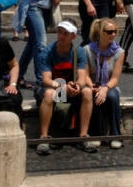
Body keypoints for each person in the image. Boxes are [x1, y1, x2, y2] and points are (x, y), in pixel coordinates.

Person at [34, 20, 93, 154]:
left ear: (73, 36)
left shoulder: (80, 52)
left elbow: (82, 77)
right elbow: (46, 80)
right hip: (51, 86)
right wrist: (62, 86)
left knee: (87, 92)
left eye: (65, 33)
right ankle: (43, 137)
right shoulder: (47, 52)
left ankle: (83, 136)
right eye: (59, 32)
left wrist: (77, 86)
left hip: (69, 87)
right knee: (49, 94)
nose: (61, 36)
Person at [83, 18, 125, 149]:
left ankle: (115, 134)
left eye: (115, 31)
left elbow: (115, 78)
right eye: (109, 32)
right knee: (93, 95)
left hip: (109, 85)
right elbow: (85, 74)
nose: (113, 34)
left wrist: (105, 88)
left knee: (112, 96)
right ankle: (96, 133)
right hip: (92, 84)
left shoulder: (119, 52)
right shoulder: (87, 50)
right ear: (100, 32)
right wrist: (92, 86)